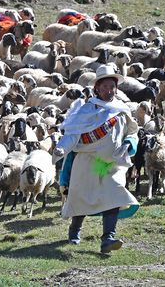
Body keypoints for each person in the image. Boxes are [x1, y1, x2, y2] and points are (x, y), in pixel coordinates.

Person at [53, 64, 140, 253]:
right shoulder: (86, 110)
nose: (109, 90)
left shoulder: (122, 109)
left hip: (112, 163)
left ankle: (108, 238)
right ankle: (75, 230)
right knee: (83, 196)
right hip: (89, 161)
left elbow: (132, 132)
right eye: (105, 87)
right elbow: (73, 134)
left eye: (112, 87)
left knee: (113, 193)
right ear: (97, 88)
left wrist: (129, 143)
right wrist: (61, 148)